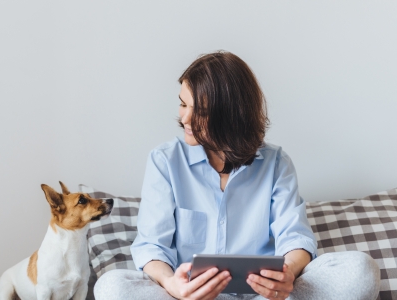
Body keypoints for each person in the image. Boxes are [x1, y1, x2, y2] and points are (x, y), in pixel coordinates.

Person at [94, 51, 380, 300]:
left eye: (201, 111)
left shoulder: (276, 163)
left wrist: (286, 275)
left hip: (265, 297)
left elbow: (295, 238)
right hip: (190, 297)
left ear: (232, 115)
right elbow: (151, 246)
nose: (185, 118)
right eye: (183, 104)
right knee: (111, 288)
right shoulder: (165, 161)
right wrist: (173, 285)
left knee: (360, 271)